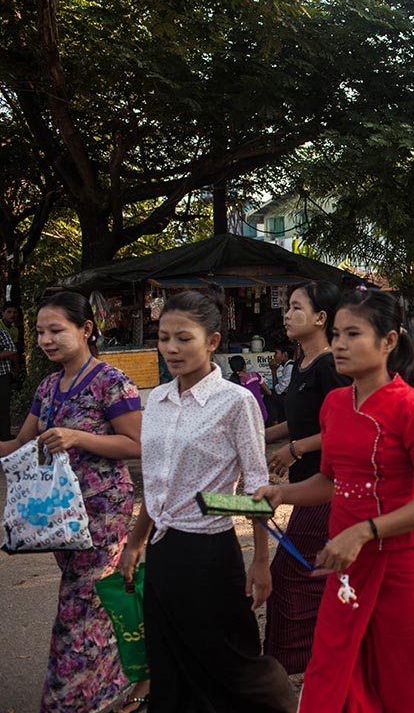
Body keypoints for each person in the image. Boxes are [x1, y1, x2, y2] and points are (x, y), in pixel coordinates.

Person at [254, 289, 414, 711]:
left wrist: (364, 531)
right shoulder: (334, 405)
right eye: (338, 333)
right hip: (346, 564)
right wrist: (282, 493)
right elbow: (332, 482)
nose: (340, 344)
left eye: (353, 334)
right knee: (331, 669)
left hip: (402, 567)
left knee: (404, 682)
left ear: (388, 342)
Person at [118, 289, 297, 713]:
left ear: (213, 342)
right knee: (169, 658)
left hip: (209, 553)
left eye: (184, 338)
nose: (171, 349)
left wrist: (259, 560)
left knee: (225, 659)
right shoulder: (157, 401)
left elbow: (256, 487)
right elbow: (158, 485)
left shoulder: (235, 401)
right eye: (164, 338)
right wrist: (135, 543)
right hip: (162, 551)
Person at [0, 291, 146, 713]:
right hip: (60, 518)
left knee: (79, 611)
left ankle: (70, 701)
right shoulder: (48, 387)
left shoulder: (111, 381)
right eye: (41, 332)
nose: (46, 340)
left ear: (85, 330)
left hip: (103, 513)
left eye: (56, 330)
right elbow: (20, 444)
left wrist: (78, 437)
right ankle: (127, 680)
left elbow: (136, 444)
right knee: (93, 608)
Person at [262, 281, 349, 674]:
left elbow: (345, 429)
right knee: (311, 574)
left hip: (328, 486)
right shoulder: (301, 364)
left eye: (296, 307)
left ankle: (288, 663)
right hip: (307, 486)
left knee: (289, 573)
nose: (287, 314)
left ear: (320, 318)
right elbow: (297, 423)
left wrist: (296, 449)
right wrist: (261, 436)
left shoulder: (331, 365)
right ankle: (317, 655)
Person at [228, 354, 271, 423]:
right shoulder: (255, 375)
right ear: (245, 365)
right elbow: (269, 392)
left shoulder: (233, 383)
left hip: (247, 419)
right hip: (262, 414)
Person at [0, 321, 15, 441]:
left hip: (2, 375)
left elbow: (11, 349)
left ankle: (5, 437)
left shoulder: (1, 332)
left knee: (3, 407)